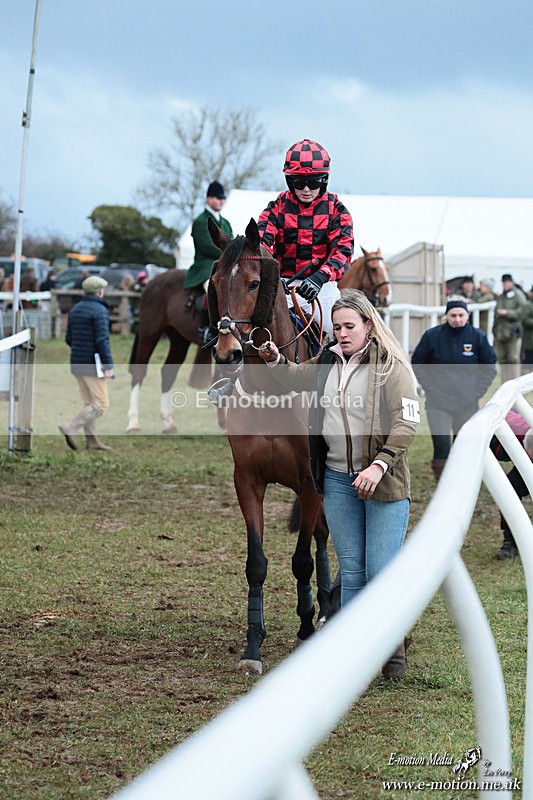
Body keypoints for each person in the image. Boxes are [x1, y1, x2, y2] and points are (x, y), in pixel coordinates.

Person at [257, 289, 419, 679]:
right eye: (336, 328)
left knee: (380, 572)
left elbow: (407, 423)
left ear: (368, 325)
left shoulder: (392, 367)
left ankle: (392, 639)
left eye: (349, 326)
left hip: (383, 483)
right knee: (353, 572)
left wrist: (379, 466)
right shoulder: (327, 360)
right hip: (337, 480)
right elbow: (293, 377)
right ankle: (358, 655)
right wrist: (275, 358)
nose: (342, 334)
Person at [257, 138, 354, 334]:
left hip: (322, 287)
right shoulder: (276, 207)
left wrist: (320, 277)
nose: (307, 189)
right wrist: (271, 274)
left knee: (336, 331)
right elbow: (261, 245)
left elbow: (343, 251)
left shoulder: (337, 210)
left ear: (324, 180)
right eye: (299, 183)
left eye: (313, 182)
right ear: (289, 182)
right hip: (281, 285)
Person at [411, 299, 497, 482]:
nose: (457, 319)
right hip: (438, 403)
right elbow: (418, 362)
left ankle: (461, 483)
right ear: (446, 316)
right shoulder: (432, 336)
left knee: (463, 447)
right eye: (453, 315)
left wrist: (476, 393)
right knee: (442, 447)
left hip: (467, 404)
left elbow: (490, 367)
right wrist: (430, 388)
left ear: (467, 316)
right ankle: (442, 484)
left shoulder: (477, 337)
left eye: (461, 315)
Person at [58, 276, 115, 452]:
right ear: (100, 292)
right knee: (101, 403)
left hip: (76, 361)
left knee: (88, 402)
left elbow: (69, 338)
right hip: (93, 363)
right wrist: (108, 365)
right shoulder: (100, 311)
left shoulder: (75, 310)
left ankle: (92, 442)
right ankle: (70, 426)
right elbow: (102, 340)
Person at [185, 180, 233, 342]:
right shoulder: (200, 221)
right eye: (217, 198)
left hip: (225, 263)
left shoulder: (226, 222)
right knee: (211, 285)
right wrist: (229, 253)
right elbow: (207, 247)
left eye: (222, 198)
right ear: (208, 199)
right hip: (205, 265)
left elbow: (232, 242)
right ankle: (205, 327)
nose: (221, 201)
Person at [490, 413, 532, 560]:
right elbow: (490, 408)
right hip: (522, 447)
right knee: (509, 488)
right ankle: (511, 542)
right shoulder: (518, 424)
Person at [493, 273, 527, 383]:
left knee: (513, 359)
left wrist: (508, 313)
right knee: (502, 359)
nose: (505, 284)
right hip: (500, 332)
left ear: (511, 282)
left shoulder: (518, 295)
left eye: (507, 282)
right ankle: (505, 384)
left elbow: (523, 312)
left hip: (513, 332)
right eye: (503, 282)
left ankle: (516, 384)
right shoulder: (501, 296)